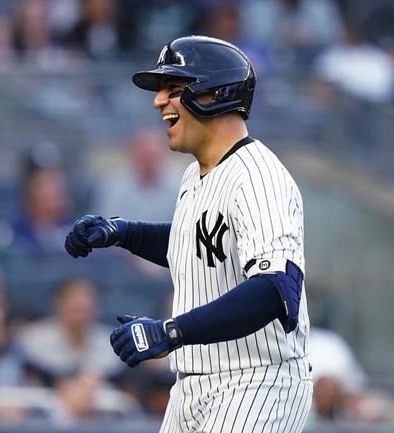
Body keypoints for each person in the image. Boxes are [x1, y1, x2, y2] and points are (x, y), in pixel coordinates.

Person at [65, 35, 312, 432]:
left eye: (173, 89)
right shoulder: (195, 175)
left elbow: (275, 288)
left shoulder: (258, 177)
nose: (158, 101)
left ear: (215, 94)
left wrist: (169, 331)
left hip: (255, 382)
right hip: (195, 385)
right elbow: (196, 245)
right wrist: (122, 232)